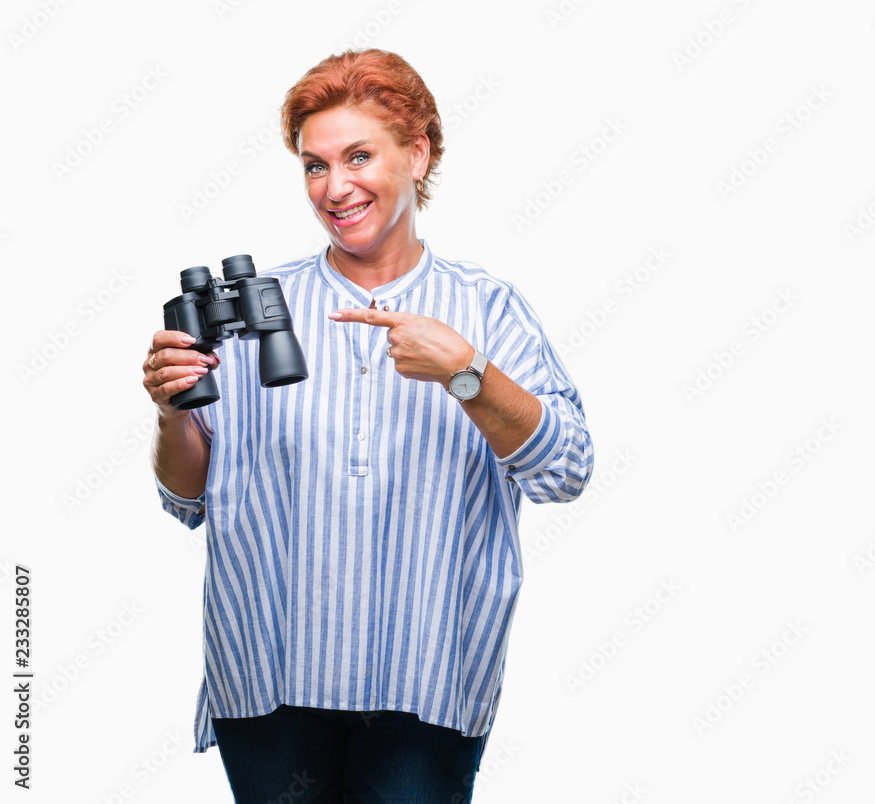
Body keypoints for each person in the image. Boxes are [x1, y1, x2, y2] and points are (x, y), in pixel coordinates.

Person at [142, 48, 593, 803]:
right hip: (268, 671)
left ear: (417, 154)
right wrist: (170, 410)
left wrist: (468, 373)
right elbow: (187, 499)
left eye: (358, 157)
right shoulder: (259, 307)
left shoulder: (488, 308)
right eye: (314, 166)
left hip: (427, 674)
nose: (335, 187)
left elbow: (565, 471)